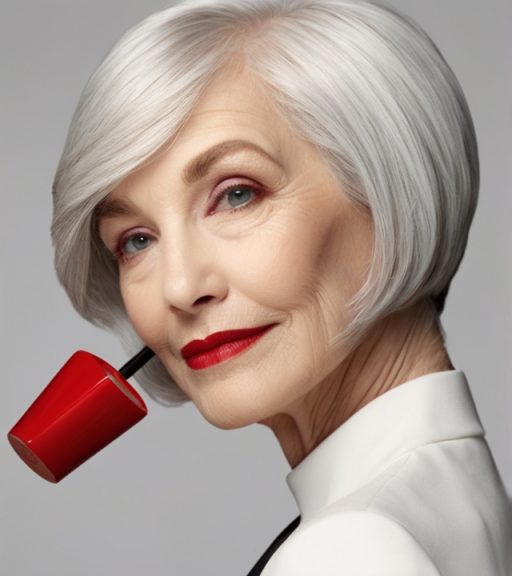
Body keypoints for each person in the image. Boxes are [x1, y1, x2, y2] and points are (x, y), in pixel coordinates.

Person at [50, 0, 511, 572]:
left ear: (392, 190)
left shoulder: (349, 549)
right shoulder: (450, 493)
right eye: (137, 240)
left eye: (237, 194)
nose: (180, 286)